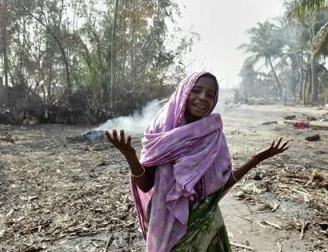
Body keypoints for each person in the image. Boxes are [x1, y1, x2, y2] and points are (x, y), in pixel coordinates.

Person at [105, 72, 289, 252]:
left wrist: (256, 160)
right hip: (166, 226)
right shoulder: (161, 132)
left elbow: (220, 189)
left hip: (204, 226)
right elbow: (145, 185)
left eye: (210, 95)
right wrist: (130, 156)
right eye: (197, 90)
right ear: (184, 92)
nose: (202, 98)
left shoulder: (214, 136)